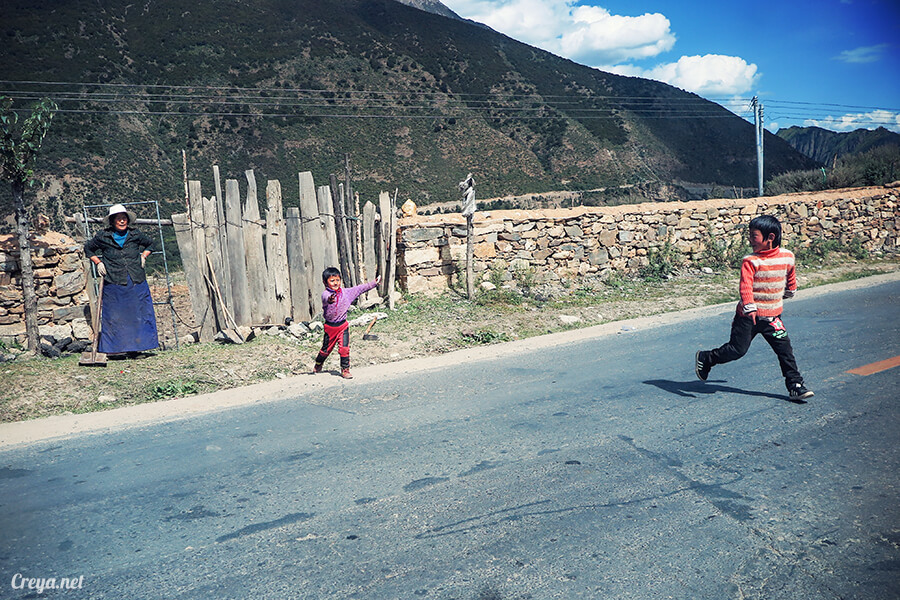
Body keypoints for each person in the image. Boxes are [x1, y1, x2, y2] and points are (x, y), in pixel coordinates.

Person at [694, 215, 814, 401]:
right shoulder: (750, 261)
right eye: (749, 235)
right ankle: (707, 358)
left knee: (785, 351)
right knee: (737, 350)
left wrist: (790, 290)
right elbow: (745, 286)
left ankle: (795, 385)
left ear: (770, 237)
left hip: (772, 318)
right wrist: (749, 307)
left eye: (754, 236)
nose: (750, 240)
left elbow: (790, 275)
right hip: (747, 318)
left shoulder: (787, 256)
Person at [84, 204, 159, 357]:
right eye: (118, 219)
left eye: (124, 218)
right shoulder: (103, 236)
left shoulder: (135, 234)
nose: (122, 221)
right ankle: (115, 350)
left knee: (138, 314)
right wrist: (98, 262)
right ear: (112, 221)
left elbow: (151, 243)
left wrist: (143, 256)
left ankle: (137, 349)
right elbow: (88, 249)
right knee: (115, 316)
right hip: (114, 281)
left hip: (135, 280)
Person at [312, 267, 380, 379]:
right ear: (325, 283)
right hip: (330, 328)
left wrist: (374, 283)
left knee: (344, 349)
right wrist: (330, 300)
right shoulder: (325, 294)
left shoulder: (346, 293)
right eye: (332, 281)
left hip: (343, 326)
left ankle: (345, 370)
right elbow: (327, 298)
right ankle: (318, 363)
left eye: (337, 280)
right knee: (325, 351)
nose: (335, 283)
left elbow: (360, 289)